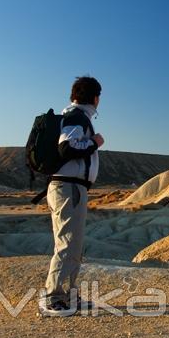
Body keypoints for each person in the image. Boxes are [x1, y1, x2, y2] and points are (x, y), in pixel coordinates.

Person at [39, 76, 104, 317]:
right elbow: (66, 147)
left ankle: (68, 295)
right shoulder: (77, 117)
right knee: (67, 242)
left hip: (70, 187)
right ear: (95, 98)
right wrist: (94, 143)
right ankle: (53, 297)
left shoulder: (76, 116)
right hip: (69, 188)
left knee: (73, 242)